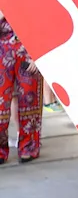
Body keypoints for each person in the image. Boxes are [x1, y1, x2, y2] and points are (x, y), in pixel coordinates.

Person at [0, 10, 43, 164]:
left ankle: (28, 147)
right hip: (2, 50)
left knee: (29, 100)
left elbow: (43, 23)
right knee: (1, 104)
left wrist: (39, 54)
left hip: (28, 51)